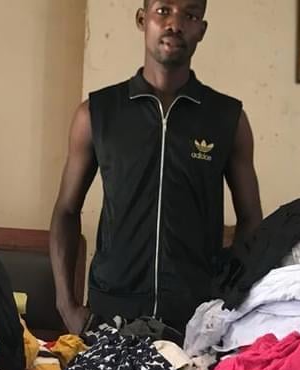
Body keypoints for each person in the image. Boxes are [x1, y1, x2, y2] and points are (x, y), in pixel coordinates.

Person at [50, 0, 263, 334]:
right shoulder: (97, 113)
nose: (175, 24)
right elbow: (66, 210)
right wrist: (67, 306)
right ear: (142, 19)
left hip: (196, 319)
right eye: (163, 10)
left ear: (201, 30)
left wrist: (228, 295)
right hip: (111, 313)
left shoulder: (227, 118)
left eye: (190, 15)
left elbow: (251, 218)